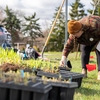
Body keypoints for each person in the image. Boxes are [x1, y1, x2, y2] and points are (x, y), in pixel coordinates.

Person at [60, 15, 100, 80]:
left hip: (97, 36)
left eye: (75, 34)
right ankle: (84, 71)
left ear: (80, 30)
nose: (73, 36)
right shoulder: (74, 33)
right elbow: (68, 46)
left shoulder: (94, 26)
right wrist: (63, 58)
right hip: (85, 40)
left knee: (99, 50)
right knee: (84, 50)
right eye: (72, 34)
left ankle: (99, 72)